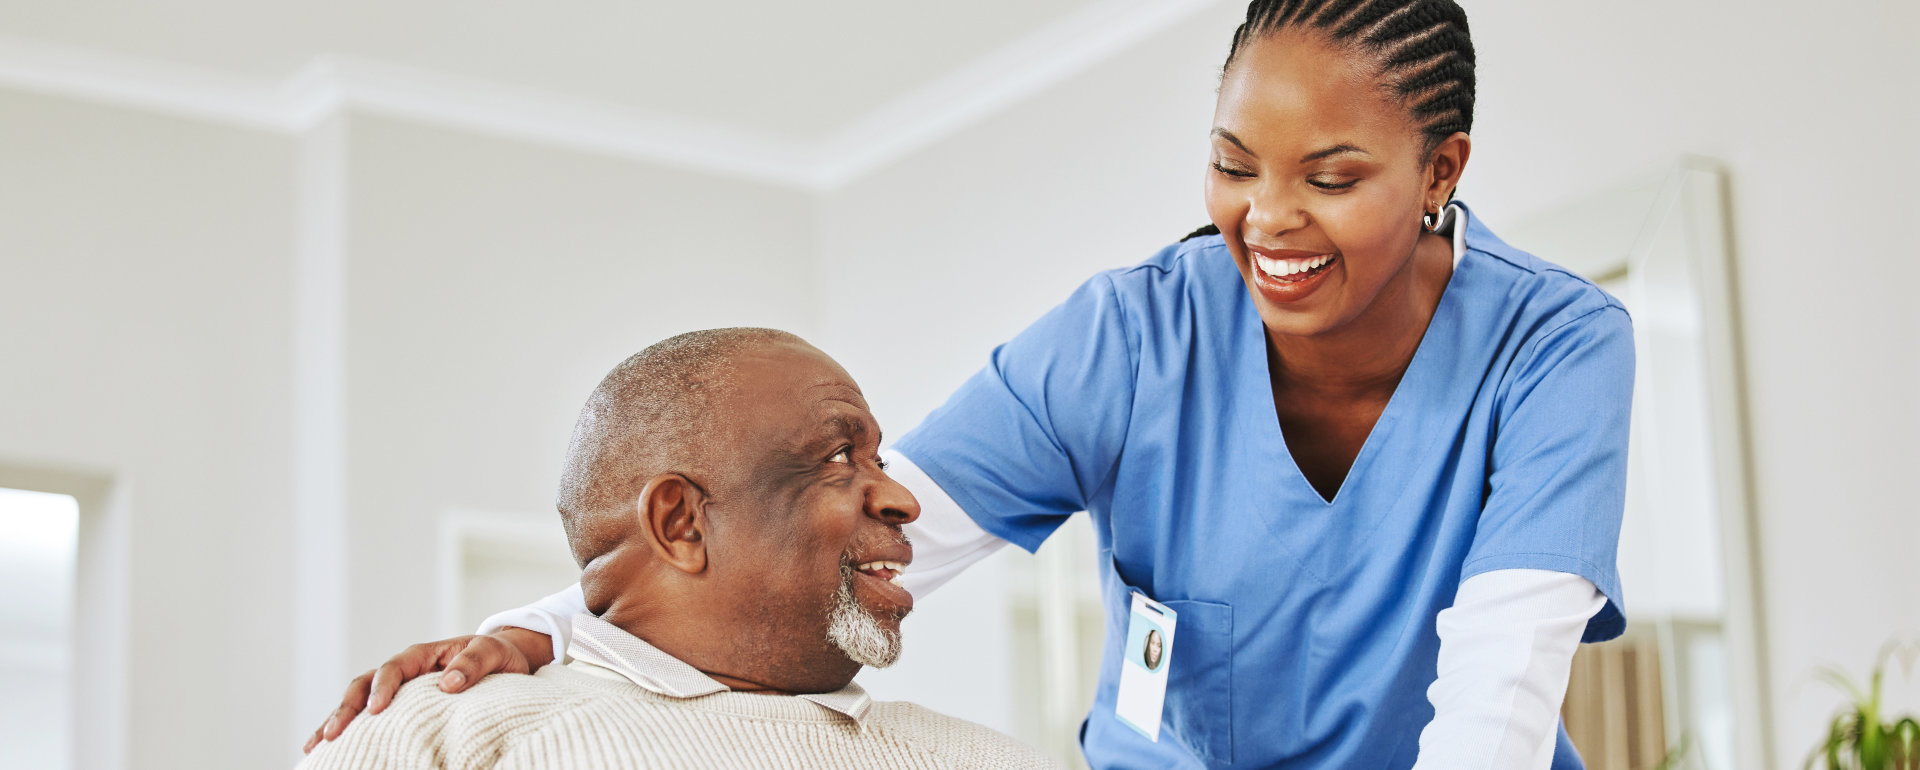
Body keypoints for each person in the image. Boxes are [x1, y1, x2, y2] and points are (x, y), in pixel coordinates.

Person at [307, 2, 1631, 767]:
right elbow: (864, 539)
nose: (1266, 219)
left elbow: (1498, 693)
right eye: (1233, 165)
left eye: (1330, 178)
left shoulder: (1558, 347)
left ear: (1443, 168)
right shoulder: (1134, 334)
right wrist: (560, 616)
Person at [299, 329, 1057, 769]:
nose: (905, 501)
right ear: (681, 523)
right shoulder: (441, 733)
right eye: (836, 458)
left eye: (879, 462)